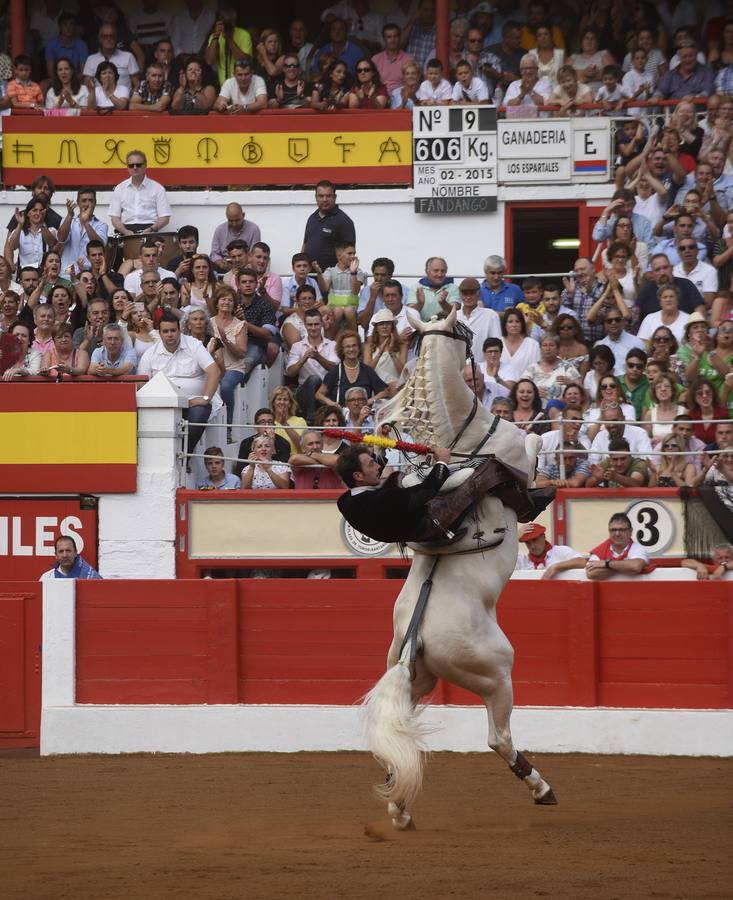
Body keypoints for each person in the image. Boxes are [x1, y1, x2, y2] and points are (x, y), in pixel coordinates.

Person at [137, 312, 222, 457]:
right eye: (165, 331)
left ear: (179, 331)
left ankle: (183, 455)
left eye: (173, 330)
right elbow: (141, 385)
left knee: (200, 412)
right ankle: (169, 455)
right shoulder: (150, 354)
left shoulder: (194, 345)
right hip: (164, 405)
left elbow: (214, 371)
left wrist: (206, 398)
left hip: (193, 402)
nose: (170, 334)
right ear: (160, 333)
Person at [286, 307, 338, 424]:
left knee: (325, 383)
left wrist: (318, 357)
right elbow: (290, 372)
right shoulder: (297, 346)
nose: (313, 328)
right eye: (310, 325)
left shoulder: (332, 345)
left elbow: (335, 369)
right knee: (314, 379)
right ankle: (311, 419)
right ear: (305, 325)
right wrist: (303, 359)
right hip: (303, 391)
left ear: (322, 324)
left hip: (326, 391)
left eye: (316, 324)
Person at [207, 284, 248, 430]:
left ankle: (228, 425)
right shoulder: (209, 322)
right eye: (223, 299)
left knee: (225, 386)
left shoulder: (240, 325)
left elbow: (242, 352)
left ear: (234, 304)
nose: (226, 302)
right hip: (212, 366)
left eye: (230, 300)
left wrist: (226, 340)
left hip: (234, 368)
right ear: (217, 303)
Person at [316, 330, 388, 410]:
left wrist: (369, 401)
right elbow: (319, 394)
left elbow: (384, 392)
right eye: (347, 346)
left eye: (354, 346)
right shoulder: (335, 371)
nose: (351, 349)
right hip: (342, 416)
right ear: (342, 350)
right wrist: (331, 403)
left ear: (359, 348)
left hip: (364, 414)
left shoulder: (367, 370)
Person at [109, 150, 171, 236]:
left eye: (138, 165)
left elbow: (165, 217)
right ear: (127, 167)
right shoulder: (119, 188)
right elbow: (114, 218)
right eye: (131, 165)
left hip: (150, 230)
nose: (135, 168)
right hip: (125, 231)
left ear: (145, 165)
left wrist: (151, 229)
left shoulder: (157, 188)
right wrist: (125, 232)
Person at [302, 180, 356, 271]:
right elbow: (305, 245)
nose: (325, 199)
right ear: (316, 197)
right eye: (321, 196)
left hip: (331, 279)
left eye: (328, 196)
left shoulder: (344, 221)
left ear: (335, 197)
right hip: (310, 277)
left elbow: (350, 254)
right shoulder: (312, 218)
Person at [585, 513, 651, 580]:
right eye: (613, 530)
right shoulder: (601, 549)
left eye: (622, 530)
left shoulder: (637, 548)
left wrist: (606, 563)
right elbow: (591, 573)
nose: (617, 534)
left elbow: (635, 566)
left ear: (630, 531)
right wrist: (624, 567)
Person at [58, 189, 108, 274]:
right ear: (78, 203)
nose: (87, 204)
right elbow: (61, 238)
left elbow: (99, 245)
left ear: (95, 204)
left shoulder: (102, 225)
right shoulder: (68, 220)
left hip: (89, 274)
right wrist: (70, 215)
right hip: (66, 273)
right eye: (84, 201)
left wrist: (86, 223)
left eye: (91, 201)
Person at [587, 403, 654, 465]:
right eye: (607, 421)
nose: (611, 425)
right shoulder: (600, 436)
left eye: (615, 420)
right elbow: (592, 461)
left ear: (623, 419)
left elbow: (647, 461)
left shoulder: (639, 433)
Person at [514, 522, 586, 579]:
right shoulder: (522, 560)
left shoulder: (559, 551)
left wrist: (556, 567)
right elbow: (502, 566)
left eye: (535, 540)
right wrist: (514, 538)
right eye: (528, 543)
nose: (532, 546)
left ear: (544, 537)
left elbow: (582, 562)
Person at [83, 23, 140, 92]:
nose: (109, 39)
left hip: (124, 101)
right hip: (99, 102)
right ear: (99, 38)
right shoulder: (91, 59)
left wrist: (132, 100)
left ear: (116, 38)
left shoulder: (128, 56)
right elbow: (87, 86)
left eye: (112, 36)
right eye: (105, 36)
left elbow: (137, 84)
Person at [234, 407, 290, 477]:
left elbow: (283, 468)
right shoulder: (246, 443)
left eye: (270, 422)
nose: (267, 426)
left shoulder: (283, 443)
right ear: (256, 426)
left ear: (274, 425)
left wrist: (271, 442)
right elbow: (240, 469)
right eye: (263, 422)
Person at [205, 8, 252, 86]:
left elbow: (244, 61)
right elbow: (209, 61)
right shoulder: (215, 37)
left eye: (231, 21)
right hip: (223, 85)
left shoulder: (244, 35)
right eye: (225, 22)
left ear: (235, 21)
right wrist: (216, 36)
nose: (228, 25)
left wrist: (229, 39)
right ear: (219, 22)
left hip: (241, 83)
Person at [209, 203, 261, 273]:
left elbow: (254, 253)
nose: (234, 224)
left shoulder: (254, 229)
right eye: (230, 221)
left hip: (247, 268)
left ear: (243, 215)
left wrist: (241, 263)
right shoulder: (220, 230)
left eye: (237, 220)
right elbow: (214, 253)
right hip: (224, 267)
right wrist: (220, 262)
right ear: (226, 217)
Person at [408, 256, 460, 321]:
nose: (439, 274)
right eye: (436, 270)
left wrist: (443, 303)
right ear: (427, 271)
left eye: (443, 271)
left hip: (445, 330)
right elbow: (410, 313)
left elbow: (456, 312)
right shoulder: (416, 287)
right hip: (421, 329)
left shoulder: (453, 288)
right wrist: (420, 303)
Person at [586, 437, 651, 488]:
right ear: (610, 458)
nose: (619, 463)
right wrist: (597, 479)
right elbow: (587, 485)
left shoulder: (639, 463)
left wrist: (616, 477)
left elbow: (637, 483)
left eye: (623, 459)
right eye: (615, 459)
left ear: (630, 456)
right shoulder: (607, 462)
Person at [372, 22, 413, 93]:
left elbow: (412, 84)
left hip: (401, 96)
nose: (392, 40)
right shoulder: (375, 59)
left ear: (399, 38)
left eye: (395, 36)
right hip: (380, 96)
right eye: (389, 37)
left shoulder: (408, 59)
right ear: (384, 39)